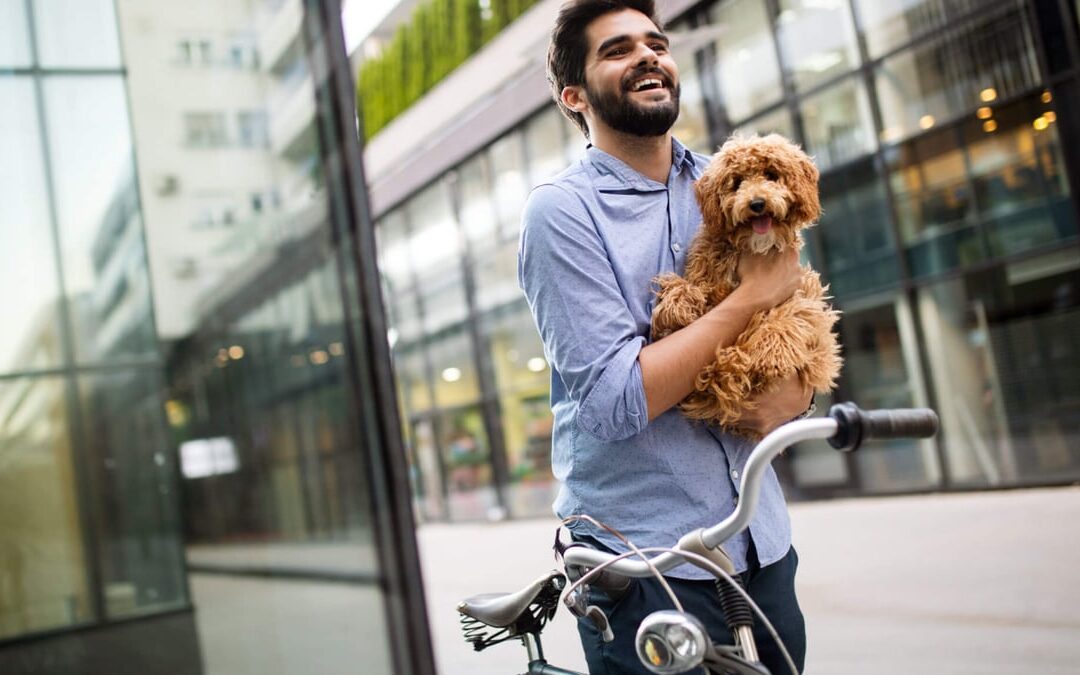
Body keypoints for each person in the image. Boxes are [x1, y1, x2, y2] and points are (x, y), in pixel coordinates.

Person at [517, 1, 812, 672]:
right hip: (646, 563)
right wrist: (748, 299)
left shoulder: (731, 181)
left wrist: (797, 400)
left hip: (760, 548)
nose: (649, 55)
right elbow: (615, 401)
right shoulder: (562, 213)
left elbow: (796, 318)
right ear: (574, 95)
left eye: (656, 42)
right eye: (617, 50)